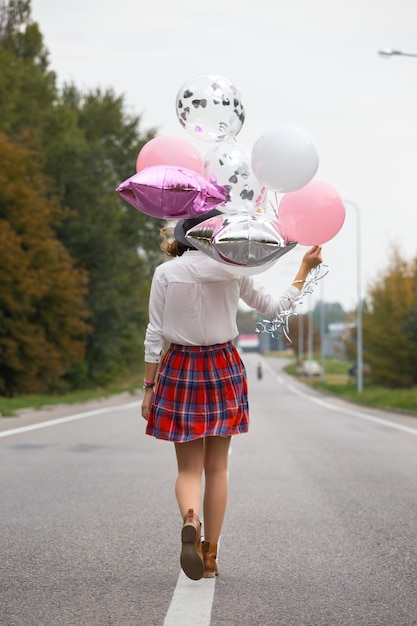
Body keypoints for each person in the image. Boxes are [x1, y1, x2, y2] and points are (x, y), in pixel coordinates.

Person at [141, 209, 323, 580]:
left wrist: (149, 387)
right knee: (218, 467)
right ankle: (209, 556)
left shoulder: (165, 274)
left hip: (178, 366)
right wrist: (303, 269)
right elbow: (276, 309)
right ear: (215, 238)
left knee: (188, 468)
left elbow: (153, 334)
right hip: (222, 366)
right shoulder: (232, 270)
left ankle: (191, 518)